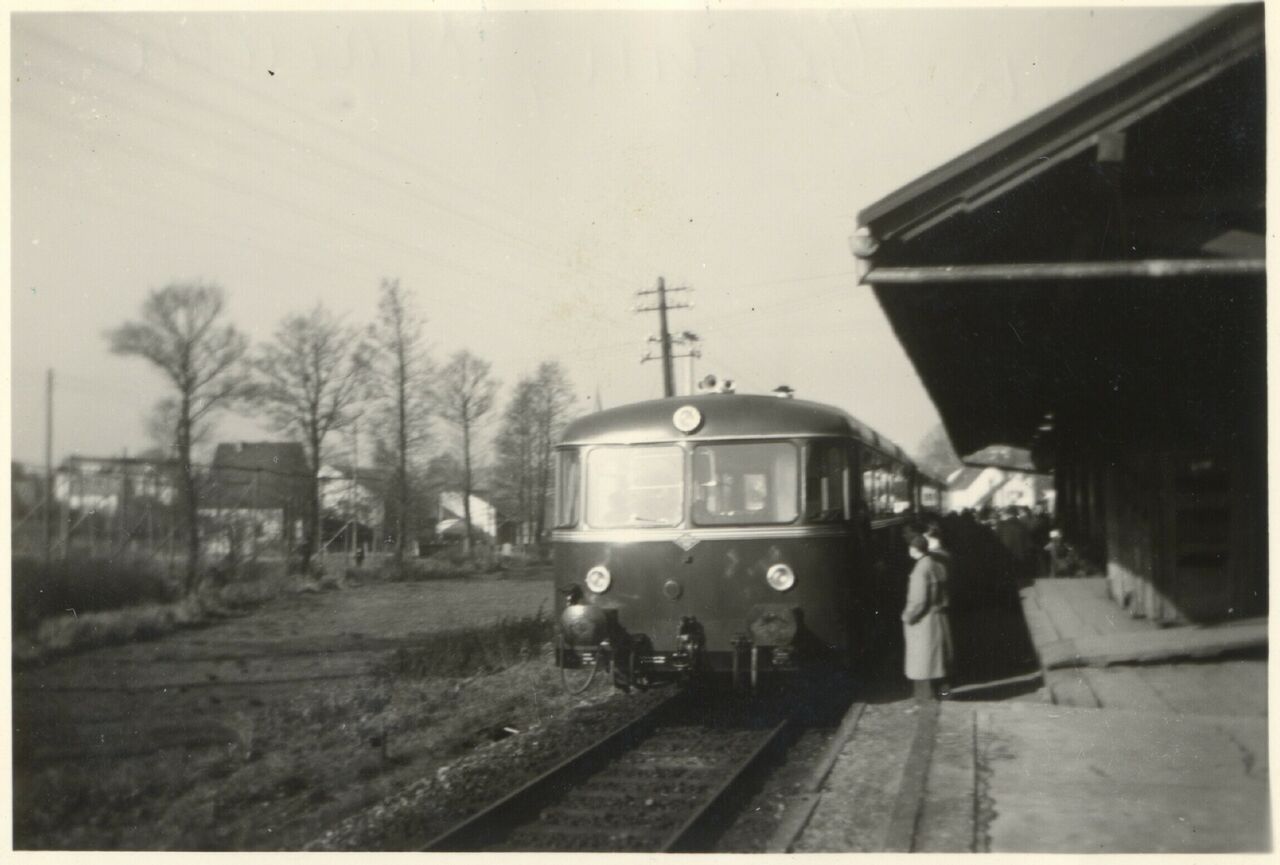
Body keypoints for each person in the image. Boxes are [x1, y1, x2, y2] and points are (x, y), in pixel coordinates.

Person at [902, 534, 952, 710]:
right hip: (937, 618)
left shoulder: (920, 569)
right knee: (937, 663)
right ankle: (943, 697)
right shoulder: (936, 564)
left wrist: (908, 617)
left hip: (923, 623)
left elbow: (918, 600)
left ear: (914, 549)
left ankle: (923, 704)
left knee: (922, 665)